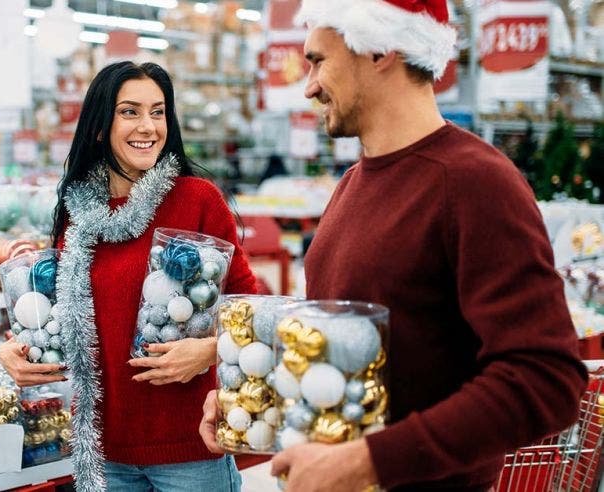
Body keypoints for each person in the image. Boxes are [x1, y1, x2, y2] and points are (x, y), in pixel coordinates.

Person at [199, 1, 588, 491]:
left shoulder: (474, 182)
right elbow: (361, 352)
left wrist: (370, 461)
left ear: (381, 48)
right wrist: (257, 396)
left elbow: (546, 380)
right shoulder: (353, 183)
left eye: (319, 60)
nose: (309, 85)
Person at [0, 61, 257, 491]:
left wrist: (210, 350)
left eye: (158, 112)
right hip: (102, 453)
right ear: (100, 127)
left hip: (189, 449)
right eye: (130, 111)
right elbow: (58, 318)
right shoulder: (77, 218)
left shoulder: (198, 200)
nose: (148, 126)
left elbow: (251, 307)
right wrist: (16, 351)